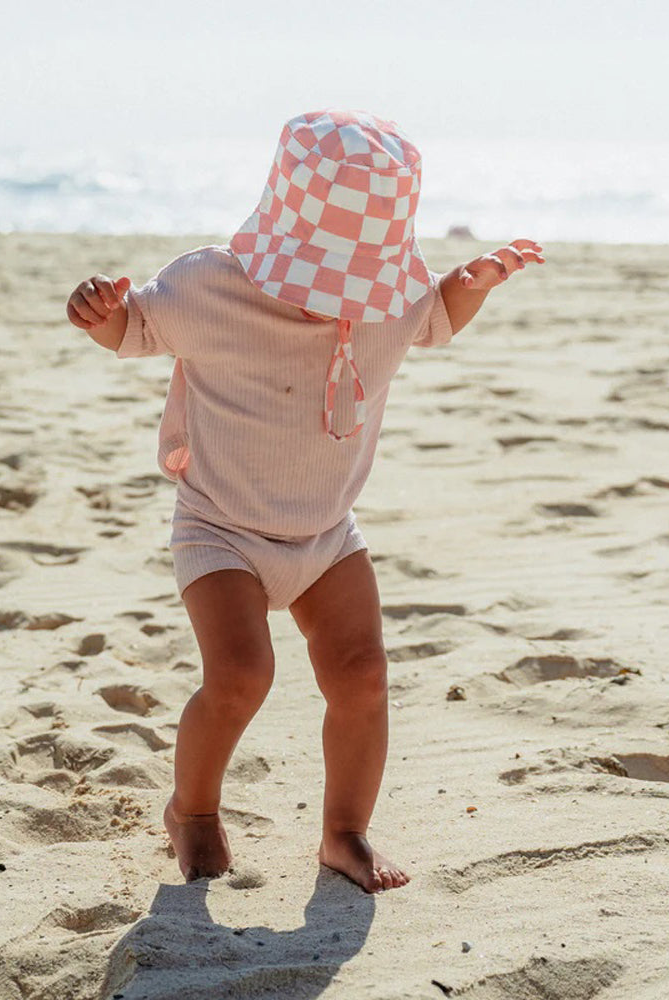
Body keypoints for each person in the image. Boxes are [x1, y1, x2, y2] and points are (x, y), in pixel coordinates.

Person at [66, 109, 544, 894]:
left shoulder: (391, 302)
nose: (336, 300)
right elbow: (134, 328)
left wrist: (471, 284)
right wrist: (101, 311)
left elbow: (436, 316)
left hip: (327, 534)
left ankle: (344, 832)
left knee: (362, 677)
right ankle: (192, 809)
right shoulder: (208, 286)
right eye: (322, 280)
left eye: (353, 281)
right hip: (221, 527)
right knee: (240, 676)